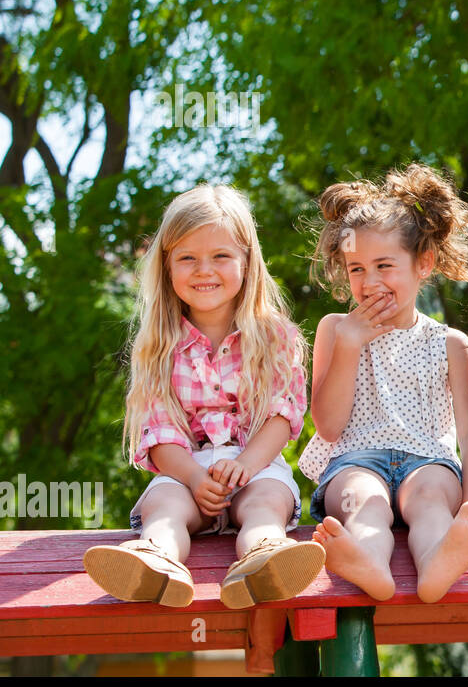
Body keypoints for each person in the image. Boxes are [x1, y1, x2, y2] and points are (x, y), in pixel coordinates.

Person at [84, 185, 323, 609]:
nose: (203, 270)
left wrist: (246, 464)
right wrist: (195, 480)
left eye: (220, 256)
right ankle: (157, 559)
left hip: (256, 465)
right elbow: (157, 435)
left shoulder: (275, 337)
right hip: (186, 470)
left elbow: (282, 415)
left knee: (265, 505)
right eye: (187, 258)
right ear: (167, 267)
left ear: (247, 262)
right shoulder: (157, 345)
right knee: (164, 506)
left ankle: (263, 556)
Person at [302, 164, 468, 603]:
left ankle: (437, 563)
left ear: (423, 264)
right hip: (355, 459)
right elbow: (329, 427)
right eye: (356, 269)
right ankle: (368, 561)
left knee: (429, 502)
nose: (369, 283)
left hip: (429, 461)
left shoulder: (450, 343)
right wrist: (349, 346)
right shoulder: (335, 329)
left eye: (384, 266)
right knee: (364, 499)